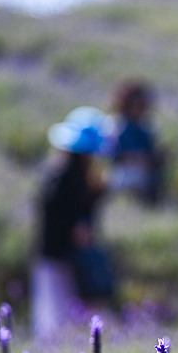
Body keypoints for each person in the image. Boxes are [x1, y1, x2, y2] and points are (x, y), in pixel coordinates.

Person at [33, 107, 115, 340]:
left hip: (54, 256)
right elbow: (76, 225)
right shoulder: (69, 178)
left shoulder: (60, 173)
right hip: (60, 258)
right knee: (57, 325)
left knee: (56, 324)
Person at [109, 80, 165, 206]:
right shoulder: (116, 126)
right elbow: (111, 154)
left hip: (146, 176)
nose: (137, 109)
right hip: (123, 175)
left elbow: (152, 152)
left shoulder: (147, 127)